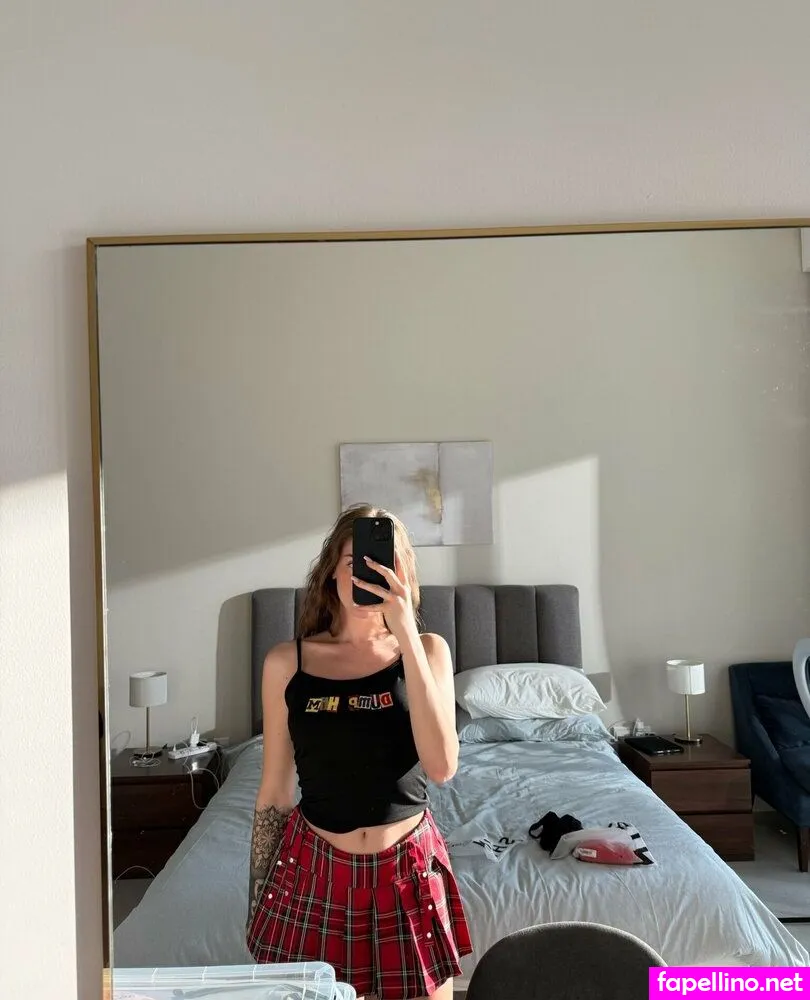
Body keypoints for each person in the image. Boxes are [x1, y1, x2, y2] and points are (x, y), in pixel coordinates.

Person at [246, 504, 473, 1000]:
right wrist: (257, 898)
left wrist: (405, 633)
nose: (369, 574)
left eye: (384, 563)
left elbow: (442, 766)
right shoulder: (287, 662)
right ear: (332, 571)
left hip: (408, 872)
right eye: (356, 563)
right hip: (314, 870)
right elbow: (276, 790)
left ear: (404, 574)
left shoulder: (429, 651)